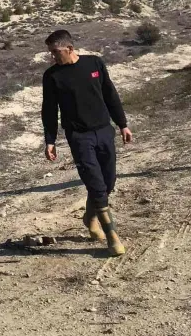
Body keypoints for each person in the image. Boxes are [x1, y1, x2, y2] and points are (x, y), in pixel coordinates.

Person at [41, 30, 133, 257]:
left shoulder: (95, 63)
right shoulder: (52, 76)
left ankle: (90, 217)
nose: (53, 57)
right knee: (96, 184)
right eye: (51, 52)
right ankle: (112, 238)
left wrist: (122, 124)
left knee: (108, 182)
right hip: (79, 137)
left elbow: (110, 94)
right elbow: (49, 110)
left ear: (69, 49)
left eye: (55, 52)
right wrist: (50, 140)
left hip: (104, 131)